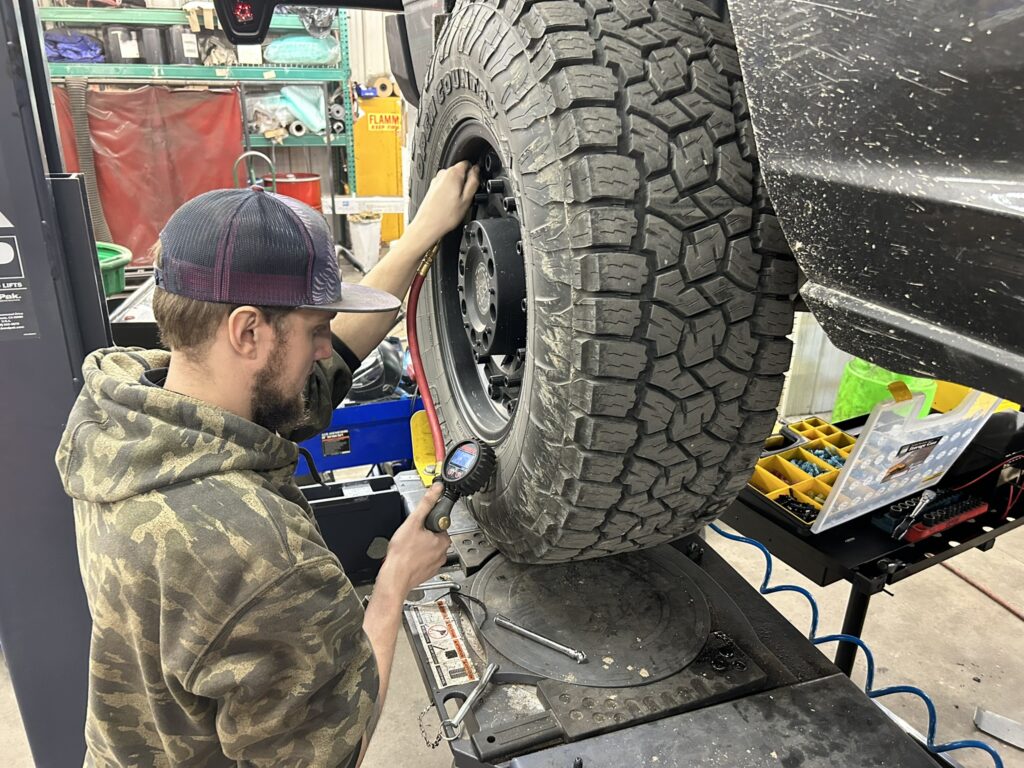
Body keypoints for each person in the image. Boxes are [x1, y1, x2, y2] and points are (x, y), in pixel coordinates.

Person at [55, 160, 481, 767]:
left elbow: (320, 373)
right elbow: (338, 747)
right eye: (315, 330)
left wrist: (420, 235)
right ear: (247, 331)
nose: (327, 348)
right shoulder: (260, 553)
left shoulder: (116, 419)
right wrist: (392, 587)